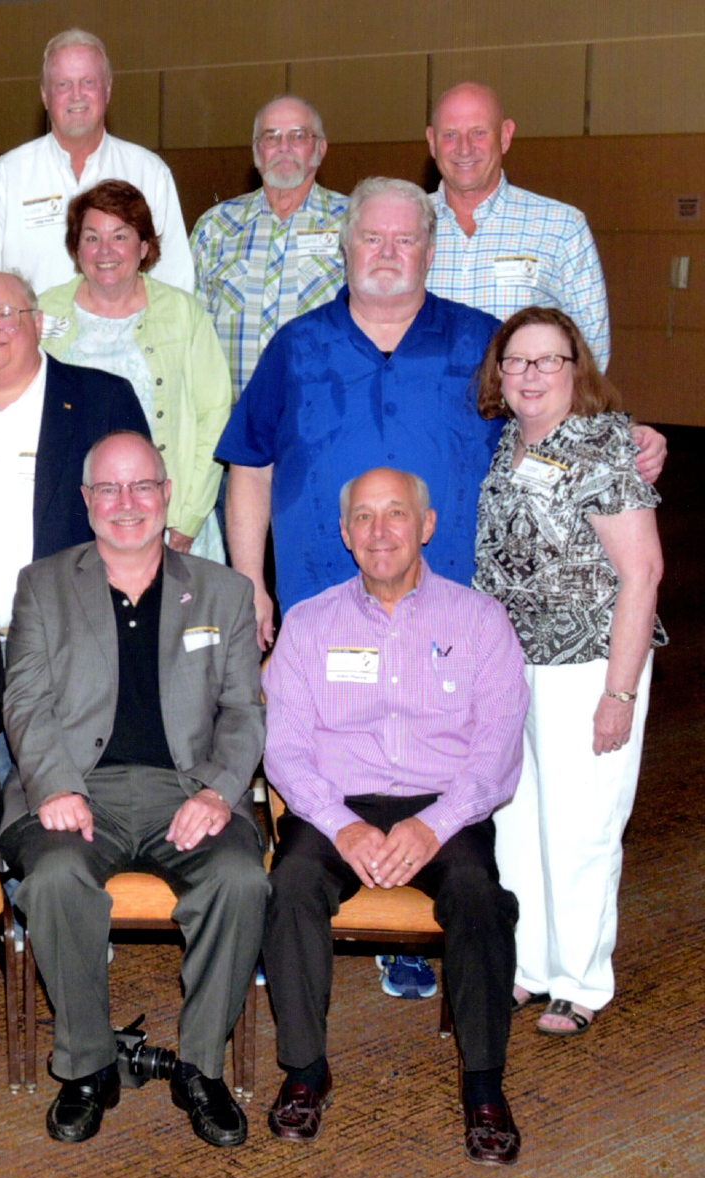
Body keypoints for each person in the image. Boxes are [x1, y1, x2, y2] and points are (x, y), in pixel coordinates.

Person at [217, 176, 662, 999]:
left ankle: (427, 927)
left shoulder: (478, 345)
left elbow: (548, 413)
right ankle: (294, 911)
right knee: (322, 761)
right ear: (346, 249)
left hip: (451, 626)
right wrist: (251, 581)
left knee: (456, 777)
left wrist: (625, 435)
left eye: (405, 240)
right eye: (371, 240)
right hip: (326, 613)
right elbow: (249, 462)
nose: (387, 254)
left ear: (430, 249)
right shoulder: (297, 346)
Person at [0, 431, 266, 1149]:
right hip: (78, 790)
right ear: (87, 501)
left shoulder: (223, 589)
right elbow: (24, 701)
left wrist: (216, 792)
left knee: (241, 881)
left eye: (142, 486)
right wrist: (52, 785)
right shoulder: (42, 585)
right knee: (53, 880)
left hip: (191, 789)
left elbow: (245, 709)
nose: (127, 504)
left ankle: (201, 1069)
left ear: (167, 492)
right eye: (109, 489)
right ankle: (88, 1068)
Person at [261, 467, 529, 1165]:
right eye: (365, 518)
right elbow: (284, 749)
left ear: (427, 526)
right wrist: (338, 823)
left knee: (479, 895)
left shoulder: (480, 621)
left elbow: (499, 746)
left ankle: (484, 1087)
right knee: (288, 885)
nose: (381, 532)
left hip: (445, 806)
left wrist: (434, 825)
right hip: (334, 805)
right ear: (346, 534)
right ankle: (304, 1070)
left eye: (397, 514)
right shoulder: (309, 624)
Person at [473, 308, 663, 1035]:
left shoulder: (603, 444)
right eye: (516, 362)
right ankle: (528, 964)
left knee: (581, 825)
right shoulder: (510, 442)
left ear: (576, 369)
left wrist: (620, 691)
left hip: (588, 666)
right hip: (512, 669)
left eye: (548, 361)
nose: (529, 375)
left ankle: (581, 979)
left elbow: (643, 573)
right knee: (518, 821)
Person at [0, 271, 148, 637]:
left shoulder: (103, 400)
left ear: (38, 322)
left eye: (4, 314)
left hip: (71, 640)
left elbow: (139, 520)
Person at [37, 181, 230, 560]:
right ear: (76, 249)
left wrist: (186, 518)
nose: (105, 250)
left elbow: (215, 416)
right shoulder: (44, 309)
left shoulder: (182, 314)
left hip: (170, 522)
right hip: (69, 521)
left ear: (144, 247)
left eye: (120, 236)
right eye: (91, 238)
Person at [0, 30, 194, 294]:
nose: (76, 95)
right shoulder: (7, 176)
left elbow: (175, 284)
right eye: (63, 84)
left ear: (108, 89)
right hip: (35, 336)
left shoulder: (149, 173)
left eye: (88, 82)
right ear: (44, 95)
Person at [427, 82, 610, 369]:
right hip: (426, 412)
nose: (464, 148)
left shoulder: (562, 227)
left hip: (523, 414)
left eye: (478, 132)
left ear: (505, 136)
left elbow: (592, 351)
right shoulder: (402, 229)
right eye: (450, 135)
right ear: (431, 141)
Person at [189, 96, 349, 399]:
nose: (284, 147)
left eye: (298, 136)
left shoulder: (355, 223)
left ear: (321, 148)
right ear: (256, 152)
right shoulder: (215, 227)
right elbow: (191, 333)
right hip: (233, 427)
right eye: (271, 137)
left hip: (325, 422)